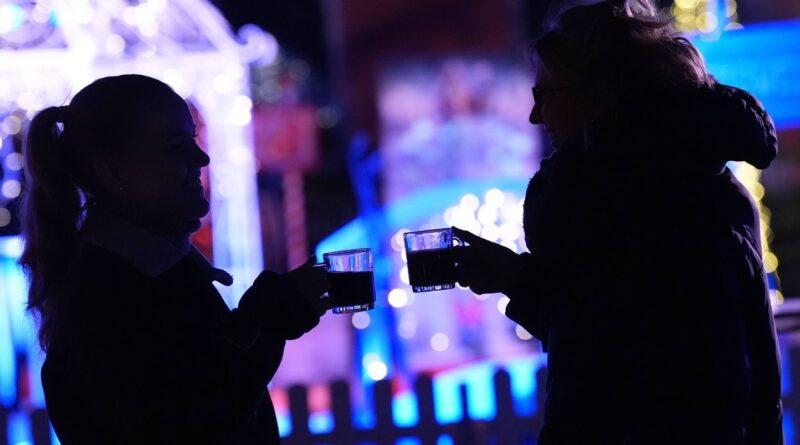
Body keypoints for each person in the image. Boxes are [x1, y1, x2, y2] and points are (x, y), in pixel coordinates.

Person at [452, 0, 783, 443]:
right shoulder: (686, 187)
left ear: (596, 94)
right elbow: (611, 325)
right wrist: (517, 278)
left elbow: (621, 375)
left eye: (544, 95)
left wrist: (524, 281)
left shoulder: (647, 204)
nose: (536, 115)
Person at [19, 74, 330, 444]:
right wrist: (269, 317)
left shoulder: (140, 275)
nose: (201, 157)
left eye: (193, 139)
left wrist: (266, 317)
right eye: (175, 145)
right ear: (113, 170)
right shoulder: (112, 297)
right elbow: (191, 421)